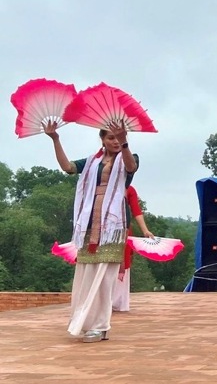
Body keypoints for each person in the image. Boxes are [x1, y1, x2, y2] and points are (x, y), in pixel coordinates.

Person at [44, 120, 138, 343]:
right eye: (110, 138)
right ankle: (84, 322)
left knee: (105, 278)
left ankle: (100, 325)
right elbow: (67, 167)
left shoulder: (129, 157)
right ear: (103, 140)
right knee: (86, 275)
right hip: (88, 222)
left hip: (112, 226)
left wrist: (125, 142)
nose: (114, 141)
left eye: (117, 137)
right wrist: (55, 139)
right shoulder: (91, 162)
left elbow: (131, 167)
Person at [112, 184, 154, 312]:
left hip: (122, 232)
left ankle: (117, 303)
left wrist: (145, 230)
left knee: (121, 264)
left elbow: (136, 211)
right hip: (103, 231)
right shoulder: (101, 185)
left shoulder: (129, 189)